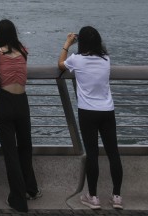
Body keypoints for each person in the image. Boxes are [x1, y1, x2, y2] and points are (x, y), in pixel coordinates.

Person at [59, 26, 123, 210]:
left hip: (87, 111)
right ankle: (117, 196)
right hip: (107, 110)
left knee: (92, 154)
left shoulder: (77, 60)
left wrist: (67, 43)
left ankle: (93, 197)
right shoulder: (106, 59)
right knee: (113, 153)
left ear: (82, 42)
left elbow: (60, 64)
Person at [0, 19, 38, 213]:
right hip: (22, 101)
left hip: (5, 101)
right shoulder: (24, 50)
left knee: (10, 152)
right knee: (26, 146)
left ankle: (17, 199)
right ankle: (31, 189)